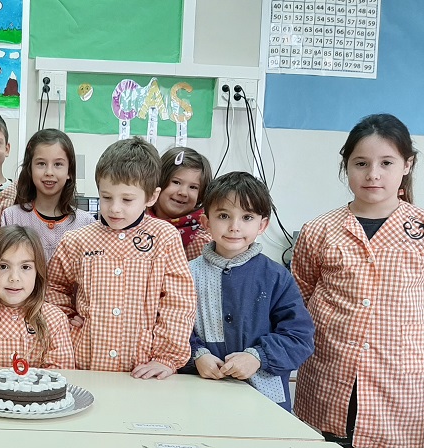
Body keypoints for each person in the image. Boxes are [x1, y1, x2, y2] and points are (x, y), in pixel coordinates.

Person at [292, 114, 424, 447]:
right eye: (361, 163)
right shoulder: (319, 230)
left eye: (386, 163)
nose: (373, 174)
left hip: (400, 385)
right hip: (328, 377)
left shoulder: (420, 231)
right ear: (346, 165)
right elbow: (298, 302)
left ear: (407, 165)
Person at [46, 137, 196, 378]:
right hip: (85, 362)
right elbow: (54, 287)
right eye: (106, 197)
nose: (115, 208)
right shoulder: (77, 239)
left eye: (127, 200)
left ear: (151, 197)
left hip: (143, 368)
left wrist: (166, 357)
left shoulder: (164, 237)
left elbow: (178, 302)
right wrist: (64, 323)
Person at [181, 171, 314, 412]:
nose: (234, 227)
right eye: (223, 216)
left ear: (262, 225)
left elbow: (299, 336)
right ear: (206, 222)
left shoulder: (276, 277)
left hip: (264, 401)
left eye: (247, 217)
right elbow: (170, 327)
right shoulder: (186, 274)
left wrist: (258, 356)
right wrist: (196, 355)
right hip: (198, 393)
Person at [0, 226, 75, 369]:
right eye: (3, 266)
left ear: (38, 271)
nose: (14, 278)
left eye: (25, 267)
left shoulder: (54, 319)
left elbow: (61, 373)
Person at [1, 129, 94, 262]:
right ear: (30, 169)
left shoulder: (86, 224)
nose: (49, 172)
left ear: (69, 171)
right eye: (41, 164)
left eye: (58, 164)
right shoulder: (10, 217)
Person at [149, 147, 213, 260]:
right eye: (176, 182)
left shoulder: (202, 240)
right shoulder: (136, 221)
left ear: (201, 195)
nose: (183, 192)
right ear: (159, 181)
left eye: (193, 187)